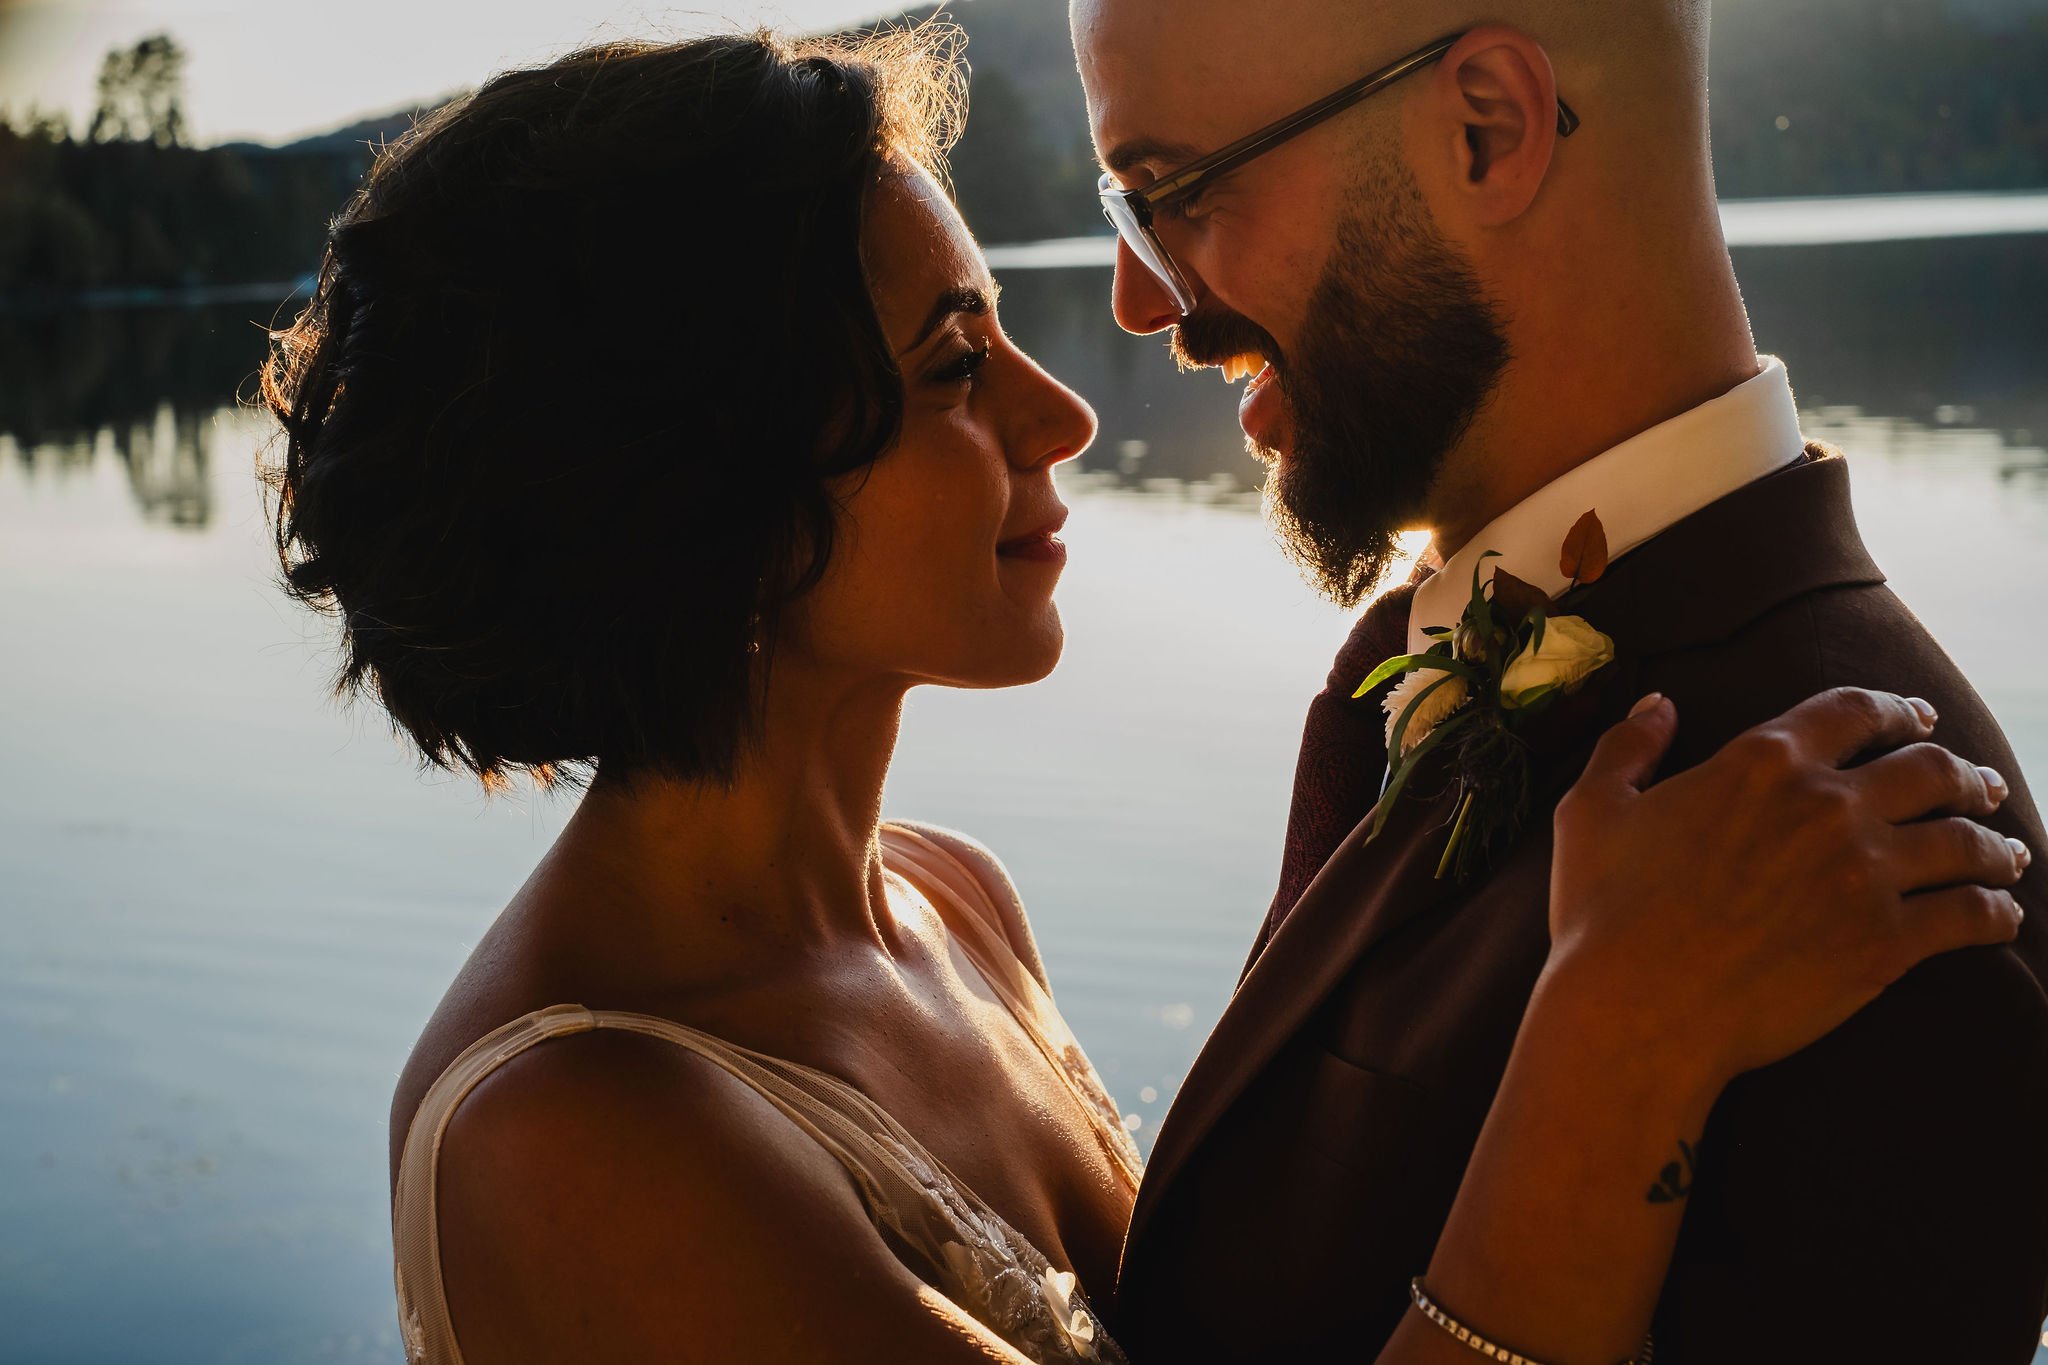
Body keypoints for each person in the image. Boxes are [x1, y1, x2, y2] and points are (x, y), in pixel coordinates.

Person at [260, 24, 2028, 1365]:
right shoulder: (577, 1140)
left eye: (1172, 195)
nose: (1070, 410)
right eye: (957, 362)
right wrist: (1607, 1073)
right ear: (707, 499)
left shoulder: (956, 907)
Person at [1073, 1, 2048, 1360]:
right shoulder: (1400, 664)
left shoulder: (1878, 865)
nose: (1138, 298)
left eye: (1172, 191)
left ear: (1489, 131)